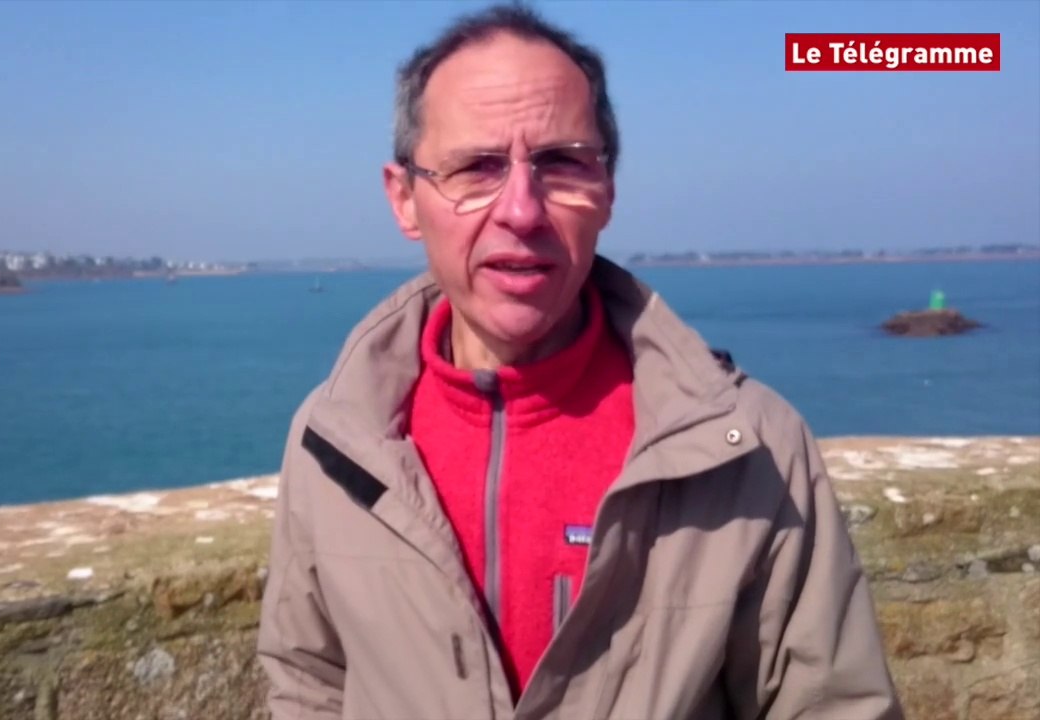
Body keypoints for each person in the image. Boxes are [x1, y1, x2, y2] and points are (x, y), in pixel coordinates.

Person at [256, 3, 905, 718]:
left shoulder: (749, 449)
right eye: (477, 167)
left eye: (561, 163)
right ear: (405, 198)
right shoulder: (336, 441)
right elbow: (307, 676)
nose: (522, 210)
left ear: (607, 191)